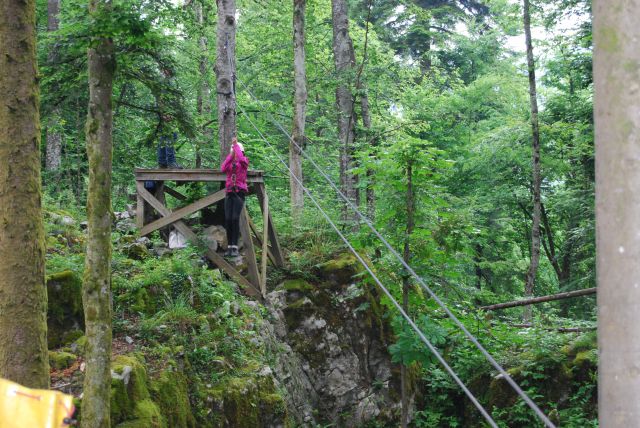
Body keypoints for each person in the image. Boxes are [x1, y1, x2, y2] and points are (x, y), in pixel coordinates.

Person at [221, 138, 249, 257]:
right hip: (229, 192)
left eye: (236, 153)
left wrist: (235, 146)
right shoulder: (230, 164)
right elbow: (223, 168)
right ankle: (230, 247)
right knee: (228, 220)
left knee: (234, 218)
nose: (235, 155)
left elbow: (242, 158)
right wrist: (231, 154)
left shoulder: (244, 162)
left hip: (239, 192)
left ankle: (235, 247)